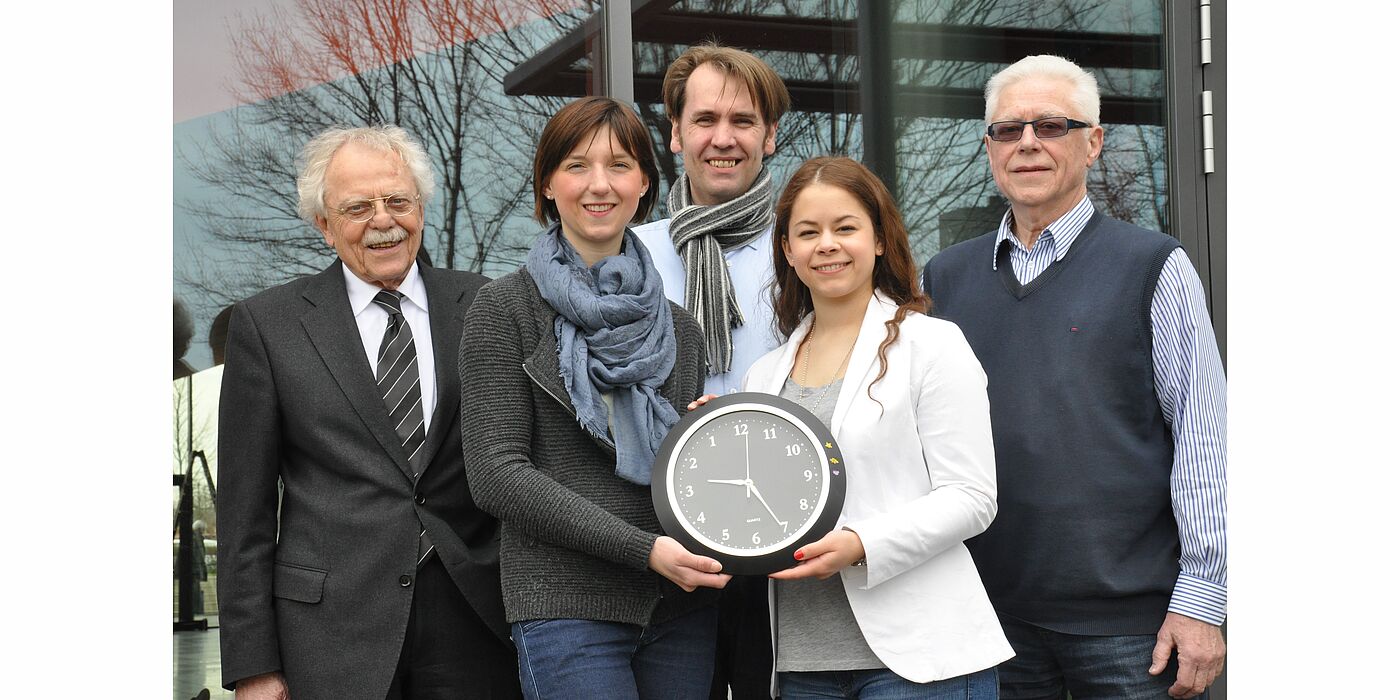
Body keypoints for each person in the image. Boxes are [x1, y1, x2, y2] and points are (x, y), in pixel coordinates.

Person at [921, 54, 1227, 700]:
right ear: (989, 150)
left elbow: (1205, 439)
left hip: (1129, 629)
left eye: (1051, 125)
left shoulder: (1154, 267)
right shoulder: (942, 280)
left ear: (1093, 144)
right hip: (986, 619)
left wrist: (1202, 599)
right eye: (1008, 129)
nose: (1027, 142)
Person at [217, 125, 519, 700]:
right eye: (358, 207)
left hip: (476, 622)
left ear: (421, 209)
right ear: (324, 226)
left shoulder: (486, 304)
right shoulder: (267, 326)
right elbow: (244, 514)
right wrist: (254, 665)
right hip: (330, 635)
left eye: (398, 201)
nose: (384, 220)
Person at [704, 155, 1011, 698]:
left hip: (916, 663)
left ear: (878, 240)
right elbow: (759, 506)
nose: (827, 244)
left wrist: (862, 543)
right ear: (787, 251)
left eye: (845, 227)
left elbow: (972, 497)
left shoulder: (932, 345)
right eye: (808, 232)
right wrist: (710, 443)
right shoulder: (764, 373)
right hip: (800, 666)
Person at [459, 96, 730, 700]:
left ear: (644, 185)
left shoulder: (679, 329)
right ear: (549, 185)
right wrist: (642, 550)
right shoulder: (506, 310)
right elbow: (497, 476)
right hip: (565, 605)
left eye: (620, 165)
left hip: (679, 607)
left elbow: (678, 483)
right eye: (577, 166)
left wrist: (706, 445)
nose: (599, 185)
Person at [631, 43, 790, 700]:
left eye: (743, 120)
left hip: (783, 533)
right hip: (655, 540)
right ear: (674, 133)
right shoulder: (627, 256)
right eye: (704, 120)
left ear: (770, 136)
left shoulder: (806, 246)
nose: (722, 139)